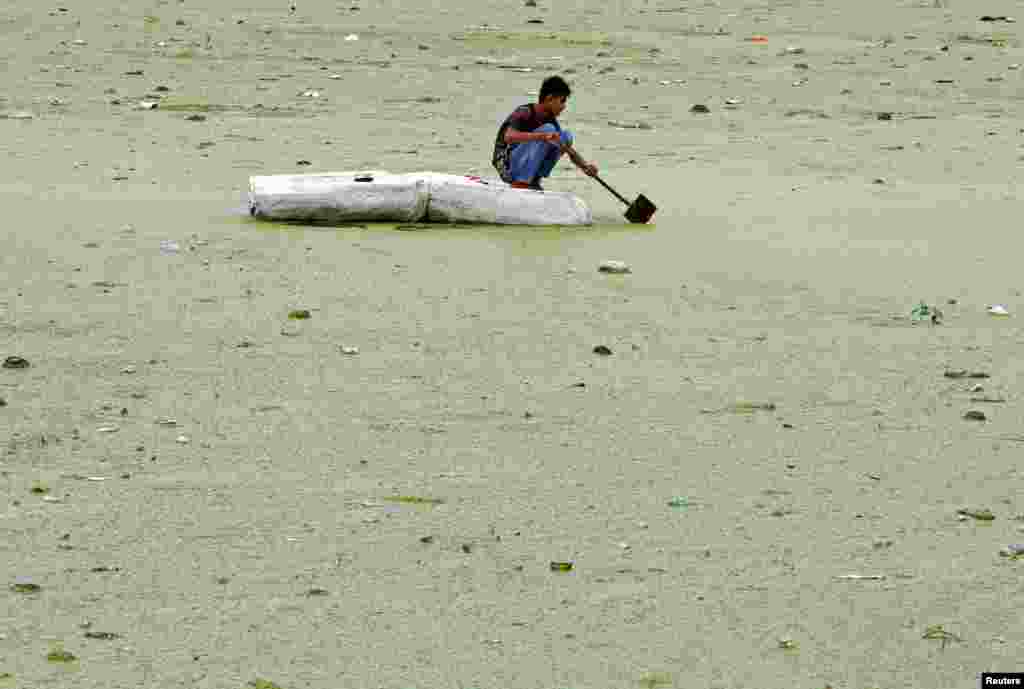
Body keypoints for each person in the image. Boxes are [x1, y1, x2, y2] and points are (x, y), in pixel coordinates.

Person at [492, 75, 598, 191]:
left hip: (523, 164)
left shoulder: (551, 121)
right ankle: (521, 182)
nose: (564, 107)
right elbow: (509, 137)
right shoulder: (525, 112)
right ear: (549, 98)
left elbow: (568, 149)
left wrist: (585, 167)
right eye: (562, 101)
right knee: (548, 130)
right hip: (507, 166)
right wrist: (542, 136)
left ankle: (533, 180)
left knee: (566, 136)